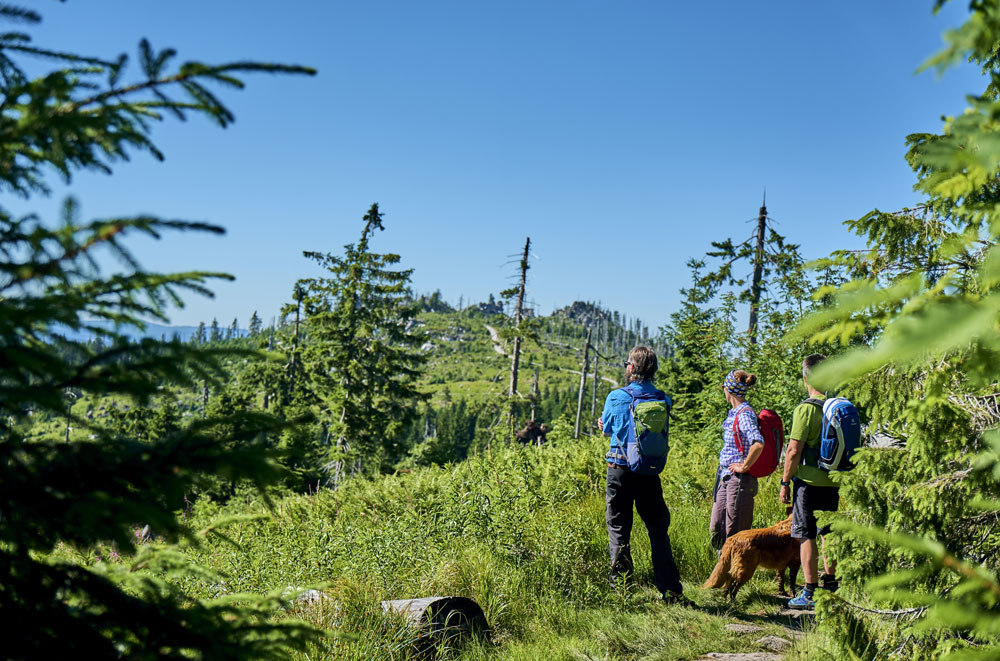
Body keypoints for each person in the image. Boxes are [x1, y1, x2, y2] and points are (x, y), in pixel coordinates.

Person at [598, 345, 691, 606]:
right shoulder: (663, 399)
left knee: (619, 528)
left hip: (619, 469)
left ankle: (622, 590)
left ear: (631, 367)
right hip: (649, 471)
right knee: (658, 530)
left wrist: (604, 425)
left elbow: (608, 430)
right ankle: (670, 589)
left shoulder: (616, 397)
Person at [780, 353, 840, 609]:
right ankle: (831, 585)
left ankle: (810, 592)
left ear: (805, 377)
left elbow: (794, 450)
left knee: (807, 535)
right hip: (832, 480)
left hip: (808, 482)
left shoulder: (806, 409)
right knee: (828, 533)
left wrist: (785, 482)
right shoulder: (836, 407)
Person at [709, 369, 764, 551]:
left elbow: (758, 443)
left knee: (734, 532)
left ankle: (735, 567)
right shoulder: (734, 413)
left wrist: (744, 466)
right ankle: (722, 564)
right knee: (717, 528)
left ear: (729, 389)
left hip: (739, 480)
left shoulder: (744, 414)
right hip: (726, 476)